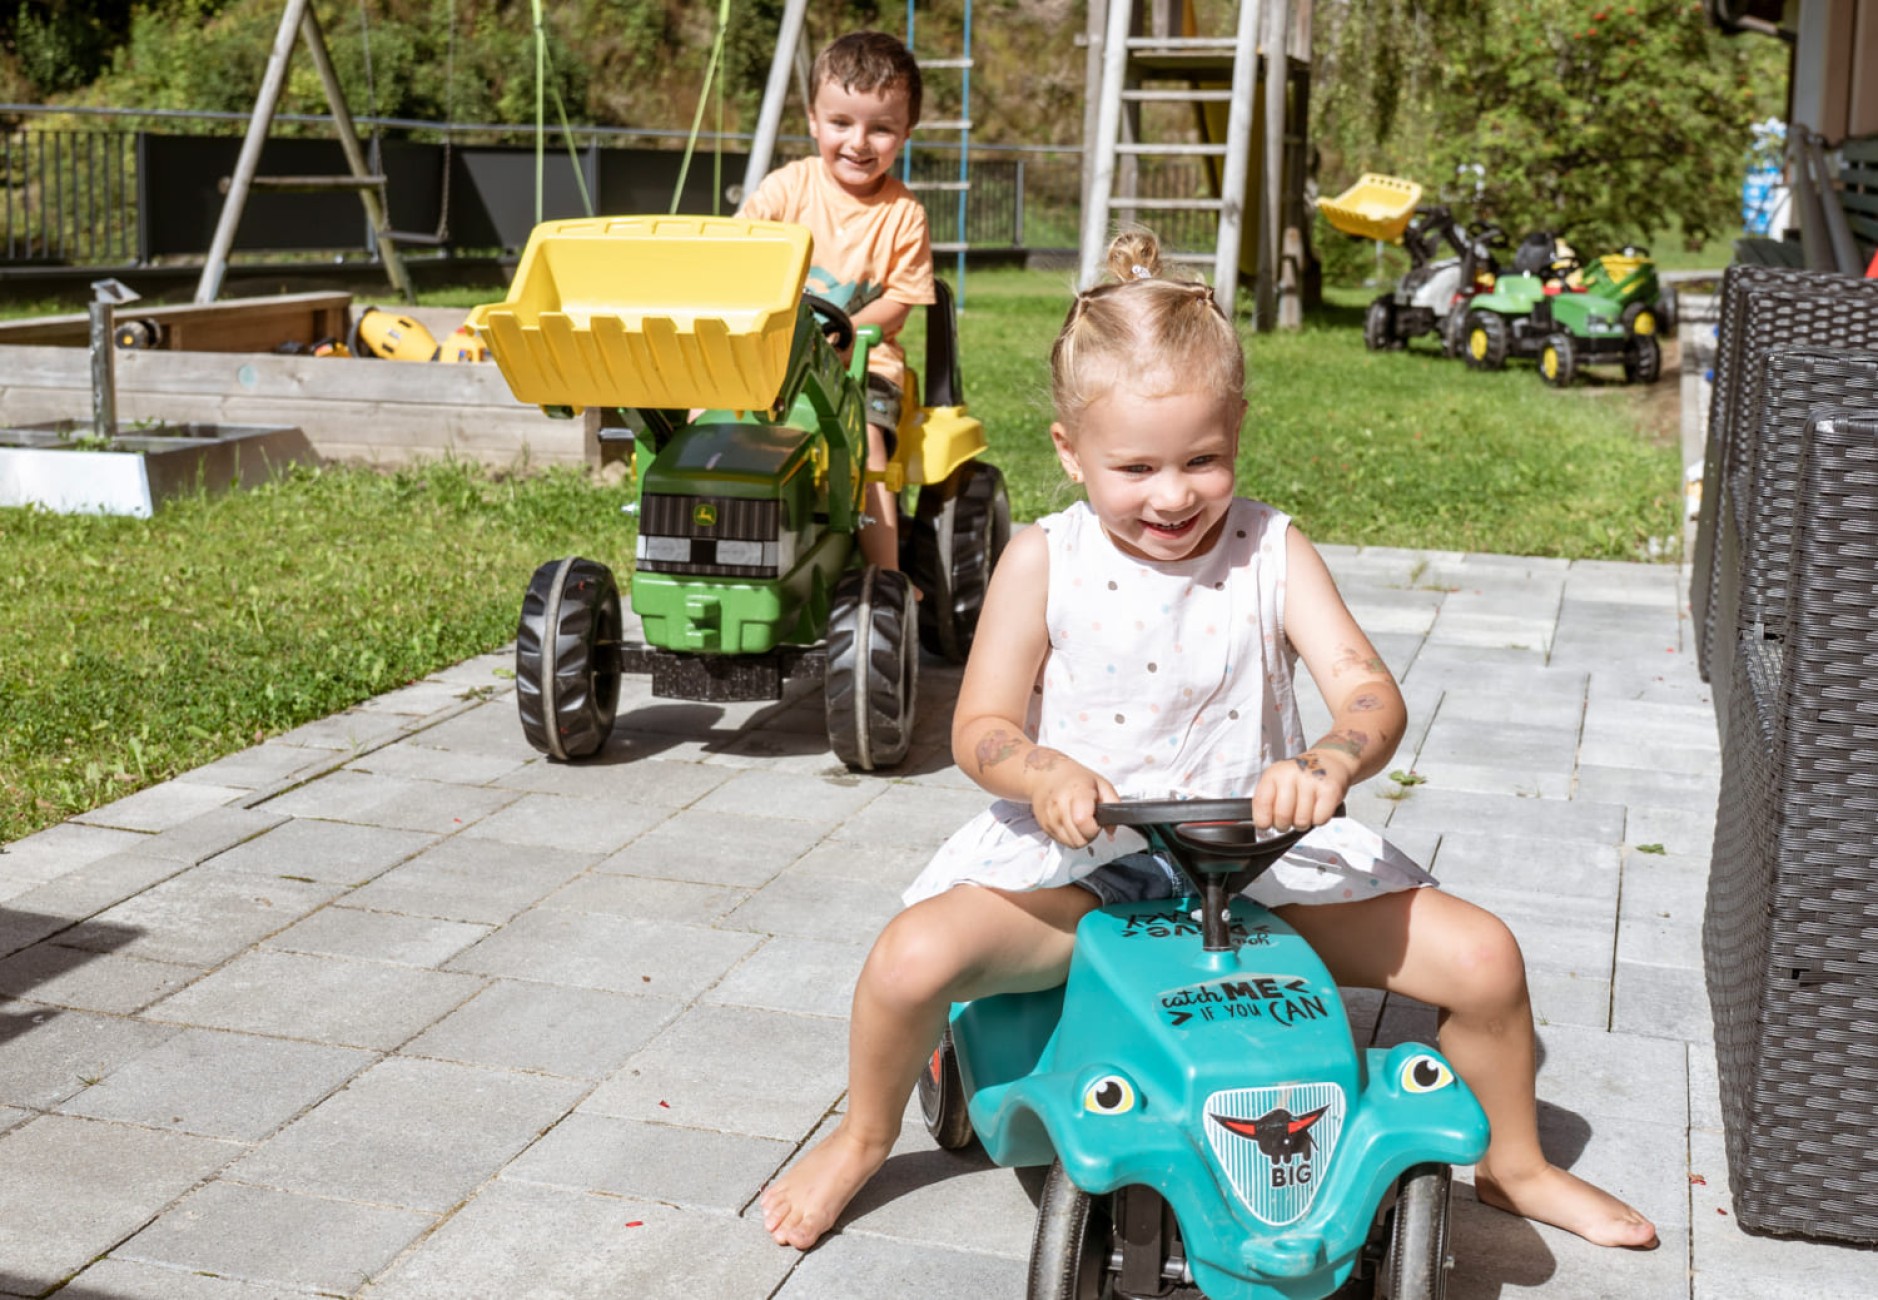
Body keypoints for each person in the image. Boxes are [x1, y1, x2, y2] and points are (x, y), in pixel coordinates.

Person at [759, 228, 1659, 1256]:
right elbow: (983, 727)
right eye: (1135, 467)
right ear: (1069, 451)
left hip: (1259, 867)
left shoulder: (1272, 549)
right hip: (1089, 871)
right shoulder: (1042, 557)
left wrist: (1331, 757)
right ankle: (862, 1136)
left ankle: (1515, 1162)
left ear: (1238, 431)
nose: (1173, 494)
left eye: (1203, 460)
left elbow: (1369, 691)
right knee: (909, 959)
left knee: (1485, 957)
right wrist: (1041, 768)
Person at [738, 30, 935, 573]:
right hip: (776, 360)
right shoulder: (788, 189)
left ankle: (885, 576)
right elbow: (741, 246)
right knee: (710, 422)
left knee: (864, 439)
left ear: (906, 133)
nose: (859, 142)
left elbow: (900, 301)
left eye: (881, 128)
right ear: (812, 120)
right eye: (841, 122)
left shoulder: (904, 215)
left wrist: (842, 333)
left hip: (863, 367)